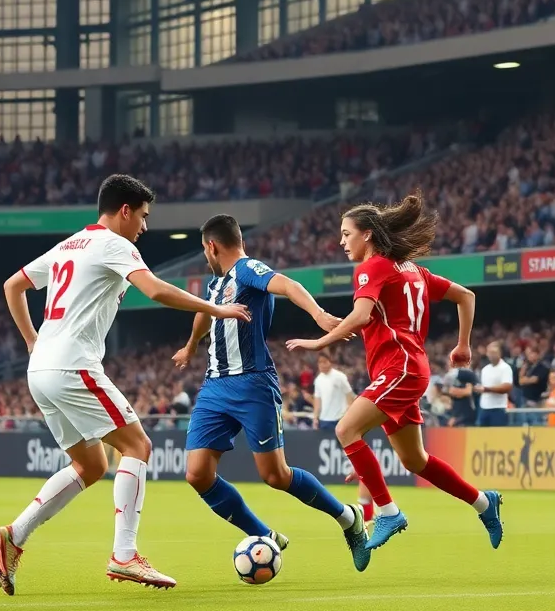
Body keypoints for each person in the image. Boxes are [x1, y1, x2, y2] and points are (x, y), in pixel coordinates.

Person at [0, 175, 251, 595]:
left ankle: (14, 535)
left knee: (92, 465)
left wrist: (32, 340)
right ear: (124, 211)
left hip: (41, 370)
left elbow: (13, 285)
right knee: (138, 446)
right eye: (143, 216)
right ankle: (125, 554)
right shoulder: (116, 244)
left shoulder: (69, 245)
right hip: (74, 367)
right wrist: (216, 309)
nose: (145, 227)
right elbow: (156, 290)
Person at [287, 192, 503, 555]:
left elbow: (359, 316)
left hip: (400, 368)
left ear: (367, 234)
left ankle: (387, 512)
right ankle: (484, 502)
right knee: (414, 460)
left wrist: (318, 343)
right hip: (407, 369)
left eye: (346, 234)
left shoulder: (372, 268)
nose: (341, 242)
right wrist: (462, 344)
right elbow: (467, 296)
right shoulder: (413, 270)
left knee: (345, 428)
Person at [171, 214, 371, 572]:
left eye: (205, 250)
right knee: (197, 474)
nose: (206, 256)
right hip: (215, 385)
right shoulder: (217, 285)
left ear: (211, 246)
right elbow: (204, 314)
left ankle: (348, 517)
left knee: (275, 476)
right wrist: (190, 346)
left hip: (253, 384)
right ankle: (265, 535)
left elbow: (289, 285)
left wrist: (320, 315)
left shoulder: (248, 270)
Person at [313, 354, 374, 524]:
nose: (322, 365)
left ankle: (368, 510)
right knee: (359, 464)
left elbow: (350, 396)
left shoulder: (339, 377)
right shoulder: (318, 380)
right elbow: (317, 400)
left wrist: (349, 416)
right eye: (320, 362)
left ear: (330, 362)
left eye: (325, 361)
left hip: (341, 420)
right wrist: (316, 416)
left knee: (360, 463)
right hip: (326, 422)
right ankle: (369, 510)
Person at [477, 341, 513, 426]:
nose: (491, 355)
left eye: (494, 352)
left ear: (500, 353)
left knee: (498, 437)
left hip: (499, 408)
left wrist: (487, 389)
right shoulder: (485, 369)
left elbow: (506, 387)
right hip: (484, 407)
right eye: (489, 352)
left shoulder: (505, 368)